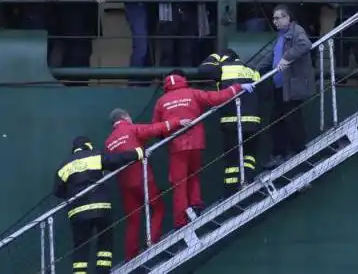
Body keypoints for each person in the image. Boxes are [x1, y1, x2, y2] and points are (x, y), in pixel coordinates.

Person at [152, 71, 254, 227]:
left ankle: (181, 222)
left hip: (177, 146)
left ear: (166, 85)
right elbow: (215, 98)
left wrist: (166, 134)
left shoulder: (161, 102)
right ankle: (196, 205)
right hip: (196, 143)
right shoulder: (192, 93)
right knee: (194, 176)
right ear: (183, 81)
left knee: (179, 185)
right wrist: (238, 87)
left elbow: (156, 128)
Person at [104, 109, 189, 261]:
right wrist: (177, 122)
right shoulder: (130, 128)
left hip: (125, 184)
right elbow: (153, 129)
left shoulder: (109, 142)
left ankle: (131, 256)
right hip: (142, 178)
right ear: (125, 117)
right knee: (158, 207)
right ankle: (153, 241)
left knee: (133, 220)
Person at [53, 136, 143, 274]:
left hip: (78, 213)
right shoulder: (95, 155)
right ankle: (102, 271)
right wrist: (138, 153)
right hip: (101, 208)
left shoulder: (63, 166)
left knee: (80, 247)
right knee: (105, 241)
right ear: (88, 145)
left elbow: (58, 192)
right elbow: (117, 159)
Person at [198, 49, 262, 192]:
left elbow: (203, 70)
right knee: (249, 156)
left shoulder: (223, 69)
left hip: (232, 121)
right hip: (253, 122)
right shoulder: (252, 70)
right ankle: (248, 181)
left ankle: (232, 190)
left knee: (232, 160)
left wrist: (214, 56)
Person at [259, 5, 314, 170]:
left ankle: (296, 152)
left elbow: (305, 45)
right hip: (280, 86)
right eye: (274, 18)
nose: (275, 21)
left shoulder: (296, 31)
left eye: (278, 18)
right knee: (279, 120)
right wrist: (253, 70)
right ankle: (282, 153)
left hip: (291, 86)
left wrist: (287, 58)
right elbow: (271, 58)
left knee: (290, 120)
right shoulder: (281, 36)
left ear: (288, 18)